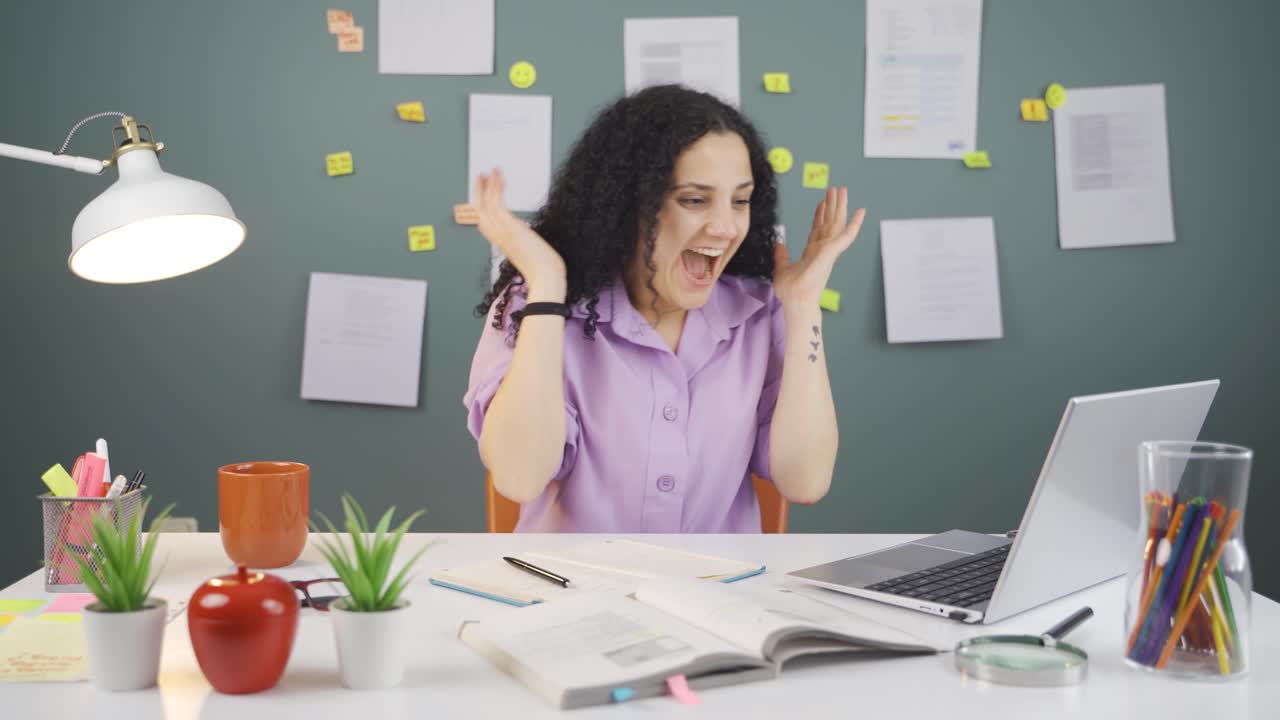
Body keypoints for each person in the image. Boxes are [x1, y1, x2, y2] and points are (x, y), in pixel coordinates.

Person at [464, 84, 864, 532]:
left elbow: (805, 482)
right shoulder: (538, 305)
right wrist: (546, 283)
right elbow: (520, 478)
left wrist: (805, 306)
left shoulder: (760, 311)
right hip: (571, 593)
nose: (726, 226)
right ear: (629, 205)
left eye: (740, 200)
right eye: (694, 199)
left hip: (715, 596)